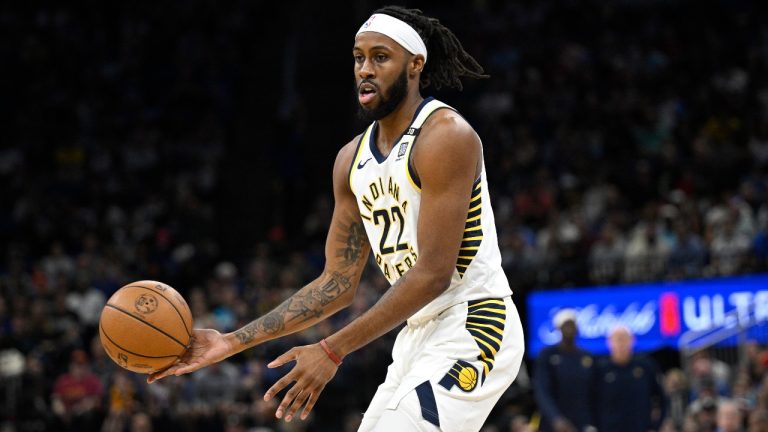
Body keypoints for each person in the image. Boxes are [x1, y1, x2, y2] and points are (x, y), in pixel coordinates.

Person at [149, 5, 525, 431]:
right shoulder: (351, 160)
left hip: (475, 321)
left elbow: (434, 274)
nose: (365, 69)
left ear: (415, 64)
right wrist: (231, 341)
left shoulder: (445, 137)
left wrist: (331, 350)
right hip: (416, 335)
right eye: (358, 57)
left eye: (381, 57)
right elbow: (337, 284)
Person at [533, 309, 597, 432]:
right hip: (552, 424)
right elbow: (542, 391)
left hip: (581, 422)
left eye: (572, 325)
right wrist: (555, 418)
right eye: (565, 325)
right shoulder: (547, 355)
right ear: (558, 328)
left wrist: (592, 422)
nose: (569, 329)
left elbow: (593, 393)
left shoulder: (587, 357)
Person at [595, 325, 666, 432]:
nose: (621, 344)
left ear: (632, 340)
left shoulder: (645, 366)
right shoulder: (601, 369)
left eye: (624, 339)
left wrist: (656, 426)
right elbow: (591, 401)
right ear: (609, 342)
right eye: (617, 339)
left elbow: (662, 397)